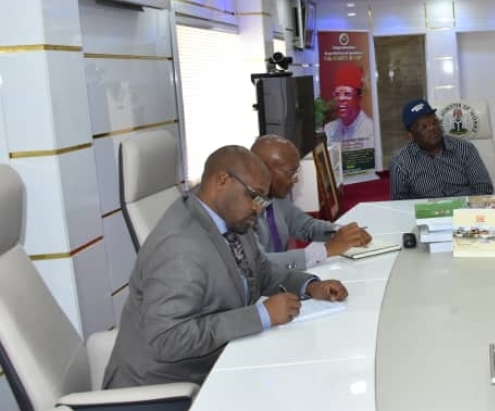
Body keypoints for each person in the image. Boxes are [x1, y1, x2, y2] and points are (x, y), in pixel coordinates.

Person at [103, 145, 349, 388]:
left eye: (262, 200)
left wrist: (310, 285)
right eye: (254, 196)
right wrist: (260, 315)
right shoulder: (179, 246)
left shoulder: (231, 219)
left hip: (218, 368)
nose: (257, 207)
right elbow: (168, 338)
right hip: (163, 390)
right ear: (222, 180)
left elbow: (262, 272)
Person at [250, 134, 371, 270]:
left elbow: (306, 226)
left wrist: (341, 232)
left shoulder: (277, 197)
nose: (295, 180)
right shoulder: (240, 210)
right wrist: (326, 250)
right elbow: (259, 264)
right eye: (290, 173)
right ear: (264, 170)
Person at [389, 98, 493, 200]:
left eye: (434, 122)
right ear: (411, 135)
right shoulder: (401, 161)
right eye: (424, 127)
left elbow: (483, 188)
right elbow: (399, 202)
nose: (432, 128)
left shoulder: (464, 148)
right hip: (426, 214)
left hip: (464, 210)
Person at [323, 62, 375, 150]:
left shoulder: (371, 130)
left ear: (358, 97)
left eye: (347, 94)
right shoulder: (329, 128)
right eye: (337, 94)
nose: (341, 98)